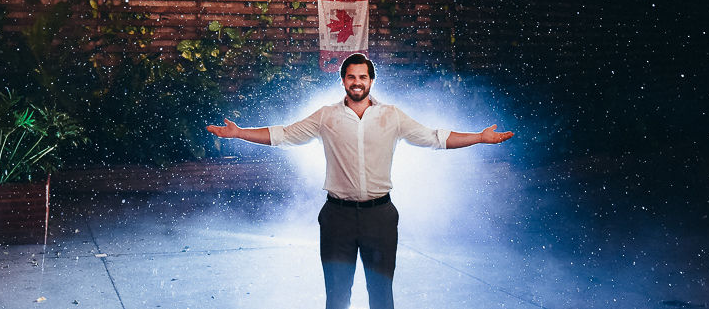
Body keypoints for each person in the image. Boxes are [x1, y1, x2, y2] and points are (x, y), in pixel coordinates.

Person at [207, 52, 514, 309]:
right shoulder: (326, 116)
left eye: (363, 77)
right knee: (337, 298)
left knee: (381, 298)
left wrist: (480, 138)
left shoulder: (392, 116)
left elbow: (435, 138)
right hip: (336, 217)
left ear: (371, 81)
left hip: (379, 217)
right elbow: (283, 135)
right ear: (343, 81)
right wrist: (239, 133)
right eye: (351, 77)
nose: (357, 82)